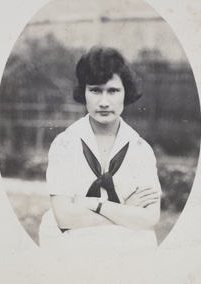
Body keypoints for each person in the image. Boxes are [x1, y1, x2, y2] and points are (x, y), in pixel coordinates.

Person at [39, 46, 162, 266]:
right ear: (83, 92)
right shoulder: (65, 143)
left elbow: (150, 218)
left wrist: (95, 204)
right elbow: (63, 217)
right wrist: (125, 212)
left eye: (113, 91)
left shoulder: (141, 150)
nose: (104, 102)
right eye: (95, 90)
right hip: (71, 250)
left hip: (125, 251)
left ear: (127, 92)